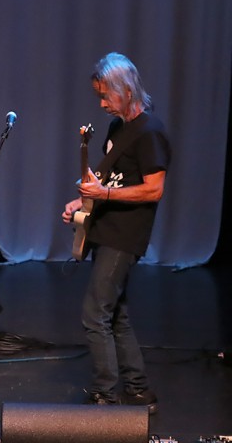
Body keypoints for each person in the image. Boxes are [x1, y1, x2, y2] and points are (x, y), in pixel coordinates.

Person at [62, 52, 171, 414]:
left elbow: (154, 189)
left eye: (106, 95)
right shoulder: (116, 128)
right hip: (105, 230)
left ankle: (105, 395)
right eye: (99, 96)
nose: (103, 103)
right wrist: (81, 204)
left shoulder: (150, 132)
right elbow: (108, 179)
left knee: (95, 313)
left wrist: (105, 194)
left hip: (125, 236)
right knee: (115, 315)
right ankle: (138, 390)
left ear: (126, 89)